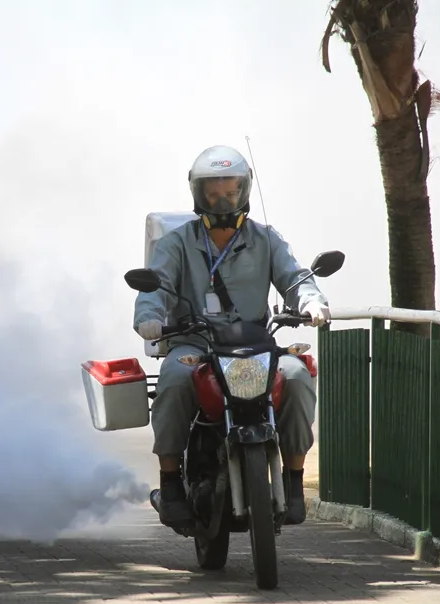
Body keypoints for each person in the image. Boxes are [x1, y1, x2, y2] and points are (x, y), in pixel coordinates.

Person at [133, 145, 331, 529]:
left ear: (245, 191)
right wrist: (149, 318)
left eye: (231, 190)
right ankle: (171, 483)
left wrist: (312, 302)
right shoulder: (179, 243)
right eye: (213, 191)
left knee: (296, 376)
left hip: (255, 342)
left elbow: (294, 277)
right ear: (198, 193)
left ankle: (292, 481)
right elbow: (153, 287)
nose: (222, 198)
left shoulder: (265, 239)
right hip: (196, 341)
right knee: (174, 379)